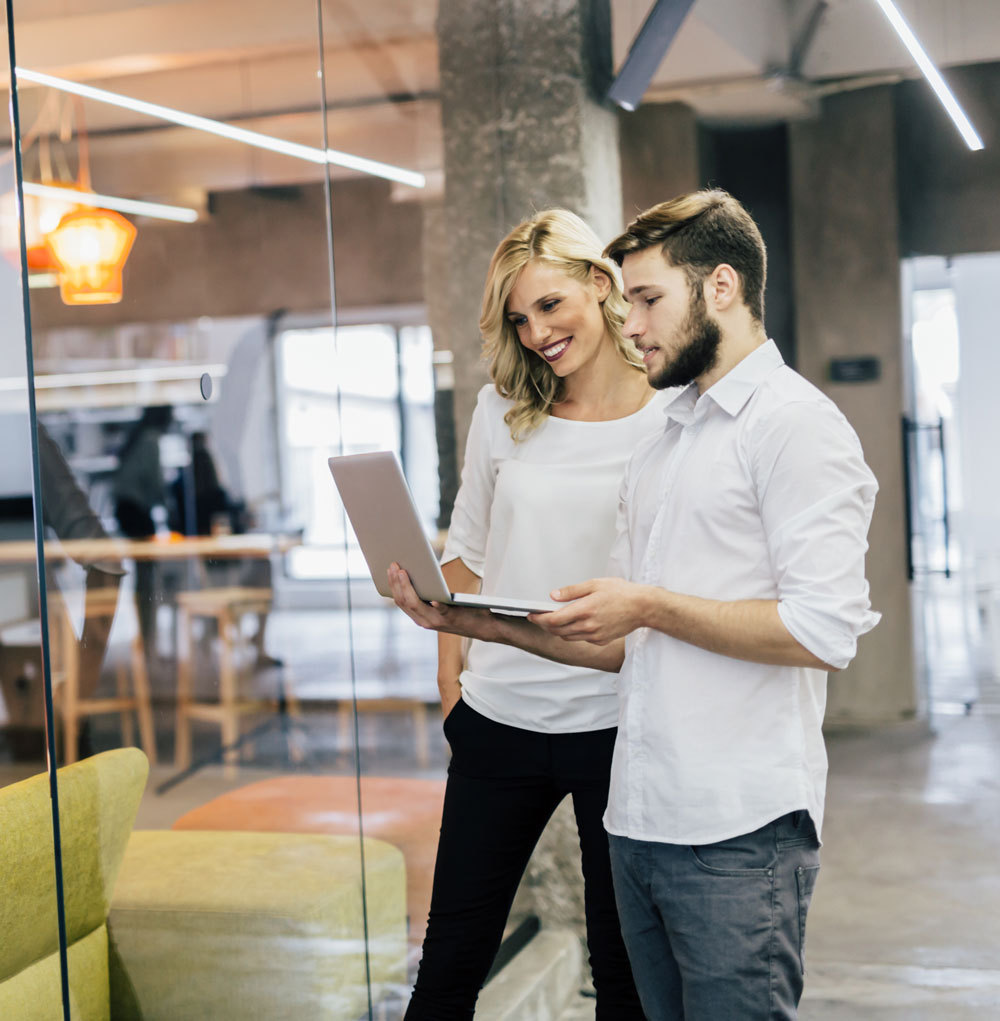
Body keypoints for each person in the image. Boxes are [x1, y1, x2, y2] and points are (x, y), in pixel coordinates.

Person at [389, 189, 880, 1020]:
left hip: (685, 776)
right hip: (601, 766)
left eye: (646, 296)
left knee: (646, 987)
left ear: (715, 288)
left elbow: (817, 626)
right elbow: (578, 612)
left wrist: (647, 606)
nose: (633, 317)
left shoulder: (753, 422)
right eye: (520, 316)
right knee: (487, 967)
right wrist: (459, 651)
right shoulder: (668, 427)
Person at [403, 209, 664, 1020]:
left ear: (600, 283)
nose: (537, 331)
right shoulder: (502, 411)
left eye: (550, 305)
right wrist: (445, 664)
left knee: (620, 967)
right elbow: (469, 553)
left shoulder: (671, 414)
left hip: (615, 724)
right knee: (449, 962)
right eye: (520, 317)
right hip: (498, 718)